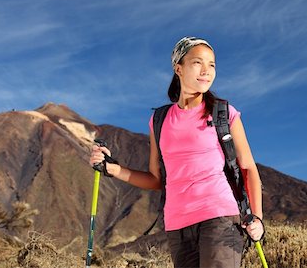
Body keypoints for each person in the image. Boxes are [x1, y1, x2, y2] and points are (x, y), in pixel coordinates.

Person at [89, 36, 264, 268]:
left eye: (212, 65)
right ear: (178, 68)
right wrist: (111, 168)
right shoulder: (160, 120)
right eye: (197, 63)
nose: (206, 71)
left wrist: (258, 218)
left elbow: (248, 168)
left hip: (219, 217)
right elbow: (156, 179)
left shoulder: (223, 113)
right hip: (177, 226)